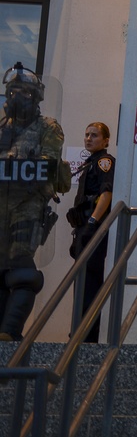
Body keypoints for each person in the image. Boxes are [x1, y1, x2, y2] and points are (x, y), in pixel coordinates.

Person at [0, 62, 67, 341]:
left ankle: (10, 330)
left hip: (29, 202)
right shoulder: (3, 126)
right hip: (2, 201)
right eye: (12, 92)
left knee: (21, 264)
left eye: (24, 93)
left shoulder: (47, 127)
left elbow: (48, 164)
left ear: (36, 97)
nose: (17, 97)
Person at [68, 122, 115, 343]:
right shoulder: (90, 163)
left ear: (106, 141)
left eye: (94, 135)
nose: (89, 138)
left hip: (93, 229)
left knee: (90, 283)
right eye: (86, 134)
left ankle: (86, 336)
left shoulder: (104, 162)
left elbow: (106, 194)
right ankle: (79, 331)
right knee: (81, 282)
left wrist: (93, 222)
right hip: (84, 229)